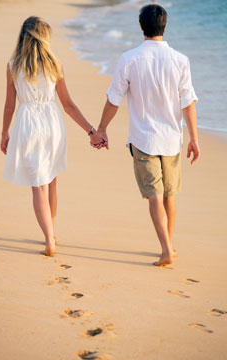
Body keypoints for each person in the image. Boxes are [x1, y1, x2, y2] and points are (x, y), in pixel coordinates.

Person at [94, 4, 200, 266]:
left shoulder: (129, 59)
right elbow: (188, 102)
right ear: (165, 26)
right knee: (169, 194)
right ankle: (169, 246)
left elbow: (114, 100)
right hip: (172, 139)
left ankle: (165, 249)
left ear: (141, 26)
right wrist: (195, 138)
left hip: (144, 139)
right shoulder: (180, 60)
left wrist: (102, 129)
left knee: (154, 194)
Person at [1, 16, 104, 257]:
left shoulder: (13, 65)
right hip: (52, 123)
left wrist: (4, 132)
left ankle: (49, 240)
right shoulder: (55, 64)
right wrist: (91, 131)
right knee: (51, 179)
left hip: (27, 123)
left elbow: (9, 106)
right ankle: (52, 232)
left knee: (38, 185)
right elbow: (68, 105)